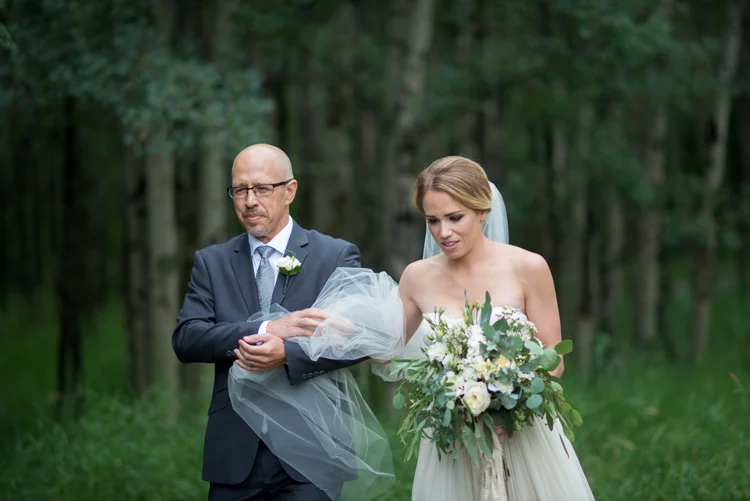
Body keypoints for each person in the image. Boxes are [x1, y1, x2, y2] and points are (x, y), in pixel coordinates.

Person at [172, 144, 365, 501]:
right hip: (235, 452)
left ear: (289, 191)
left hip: (312, 451)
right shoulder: (211, 262)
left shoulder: (334, 255)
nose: (250, 201)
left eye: (262, 188)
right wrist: (264, 330)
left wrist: (288, 353)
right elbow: (187, 338)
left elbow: (358, 339)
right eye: (240, 190)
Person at [399, 156, 595, 500]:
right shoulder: (416, 277)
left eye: (455, 217)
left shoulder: (528, 267)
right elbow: (386, 348)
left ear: (482, 210)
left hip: (521, 434)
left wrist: (508, 407)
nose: (444, 232)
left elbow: (554, 357)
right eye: (433, 221)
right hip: (453, 439)